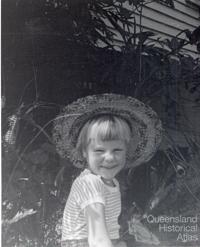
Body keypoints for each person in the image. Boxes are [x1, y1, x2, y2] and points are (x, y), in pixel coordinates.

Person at [53, 94, 162, 247]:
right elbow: (97, 238)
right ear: (84, 151)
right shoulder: (89, 183)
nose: (109, 158)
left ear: (126, 151)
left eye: (117, 150)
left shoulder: (111, 182)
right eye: (99, 151)